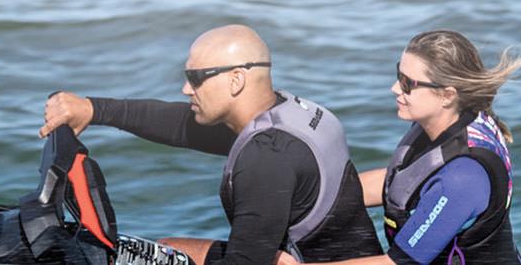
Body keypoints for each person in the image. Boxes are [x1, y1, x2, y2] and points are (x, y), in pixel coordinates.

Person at [40, 24, 383, 265]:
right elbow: (180, 125)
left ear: (236, 80)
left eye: (196, 78)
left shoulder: (267, 160)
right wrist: (93, 109)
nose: (186, 89)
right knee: (166, 249)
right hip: (348, 251)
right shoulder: (294, 114)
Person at [280, 30, 521, 265]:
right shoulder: (448, 121)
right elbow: (403, 182)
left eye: (407, 83)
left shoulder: (462, 177)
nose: (395, 88)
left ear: (447, 95)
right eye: (398, 74)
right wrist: (306, 197)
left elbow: (396, 263)